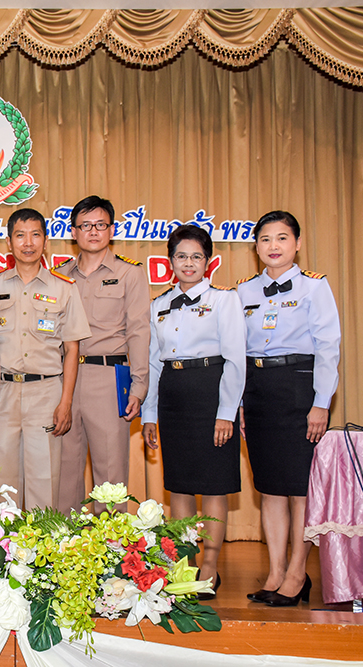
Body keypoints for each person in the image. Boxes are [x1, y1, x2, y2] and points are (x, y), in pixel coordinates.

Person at [237, 210, 340, 607]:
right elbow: (238, 351)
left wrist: (320, 403)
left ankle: (299, 572)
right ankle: (276, 571)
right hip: (259, 390)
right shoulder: (243, 291)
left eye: (282, 238)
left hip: (299, 387)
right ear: (256, 247)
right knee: (269, 489)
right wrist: (241, 402)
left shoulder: (315, 288)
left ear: (296, 244)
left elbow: (328, 348)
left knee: (299, 489)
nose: (273, 246)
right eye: (265, 239)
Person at [142, 224, 246, 597]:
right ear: (170, 260)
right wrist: (149, 414)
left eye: (196, 257)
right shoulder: (159, 305)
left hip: (210, 391)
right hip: (173, 394)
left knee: (215, 485)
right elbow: (154, 363)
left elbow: (236, 360)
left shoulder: (225, 300)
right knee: (180, 484)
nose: (188, 263)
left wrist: (227, 412)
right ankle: (183, 563)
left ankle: (210, 565)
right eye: (181, 256)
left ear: (208, 262)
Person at [0, 208, 91, 509]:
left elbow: (72, 350)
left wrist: (65, 402)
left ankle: (40, 551)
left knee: (45, 480)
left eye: (35, 235)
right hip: (2, 393)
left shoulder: (64, 288)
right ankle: (2, 549)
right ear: (8, 242)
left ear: (46, 241)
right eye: (20, 235)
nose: (28, 243)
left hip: (46, 393)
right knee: (1, 482)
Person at [57, 196, 150, 513]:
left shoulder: (129, 274)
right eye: (85, 225)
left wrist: (138, 386)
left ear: (111, 229)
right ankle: (63, 550)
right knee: (63, 473)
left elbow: (139, 332)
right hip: (64, 381)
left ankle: (109, 554)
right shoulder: (59, 275)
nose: (93, 231)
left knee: (110, 475)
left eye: (100, 225)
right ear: (73, 232)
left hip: (108, 378)